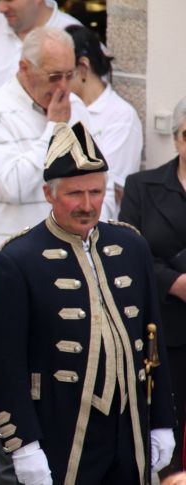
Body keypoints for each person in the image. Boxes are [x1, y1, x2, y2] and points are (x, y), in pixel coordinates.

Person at [0, 121, 175, 485]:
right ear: (48, 193)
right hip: (62, 427)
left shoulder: (131, 246)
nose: (87, 205)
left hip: (129, 424)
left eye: (96, 192)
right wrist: (23, 445)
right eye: (75, 194)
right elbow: (4, 365)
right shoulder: (17, 259)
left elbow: (153, 340)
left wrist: (163, 420)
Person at [0, 26, 90, 262]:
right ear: (24, 68)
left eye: (70, 75)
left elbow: (94, 179)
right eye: (55, 76)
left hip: (71, 247)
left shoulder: (76, 107)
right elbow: (12, 187)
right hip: (15, 252)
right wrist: (54, 129)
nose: (64, 88)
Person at [119, 96, 186, 476]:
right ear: (176, 138)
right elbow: (131, 253)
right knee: (166, 432)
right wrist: (174, 281)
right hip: (166, 331)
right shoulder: (142, 187)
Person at [65, 25, 143, 222]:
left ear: (82, 67)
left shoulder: (121, 116)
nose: (57, 83)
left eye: (64, 73)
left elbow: (113, 186)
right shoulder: (63, 108)